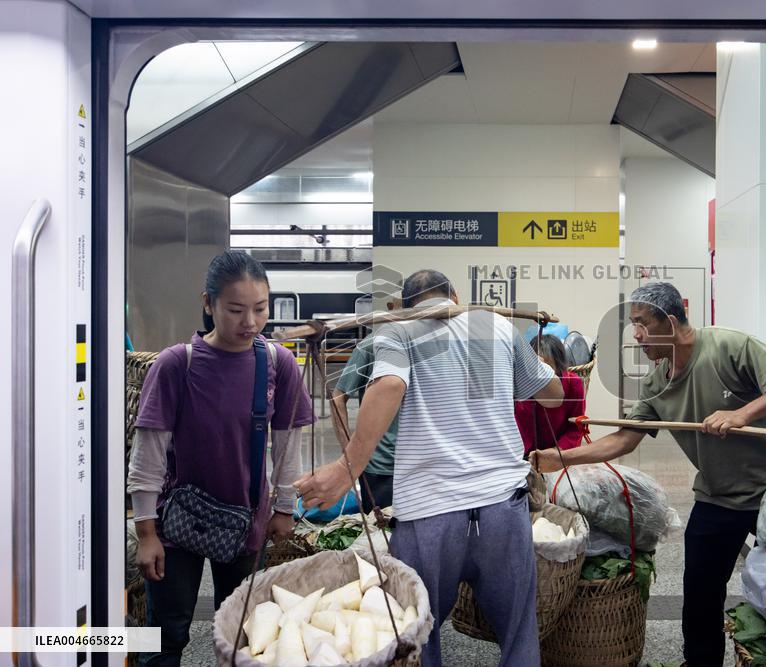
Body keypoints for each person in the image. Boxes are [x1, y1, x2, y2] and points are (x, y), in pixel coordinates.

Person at [532, 282, 766, 667]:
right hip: (719, 496)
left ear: (668, 321)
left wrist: (742, 414)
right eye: (633, 325)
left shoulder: (728, 346)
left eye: (642, 324)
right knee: (700, 589)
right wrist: (560, 458)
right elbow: (622, 440)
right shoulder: (656, 383)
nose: (636, 335)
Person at [295, 269, 564, 667]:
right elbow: (554, 396)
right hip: (502, 509)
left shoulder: (396, 330)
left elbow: (388, 385)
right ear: (453, 295)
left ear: (406, 304)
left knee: (418, 632)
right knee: (519, 634)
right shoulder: (496, 325)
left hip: (430, 513)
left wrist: (346, 468)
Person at [127, 250, 313, 666]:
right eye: (235, 310)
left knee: (243, 634)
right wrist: (146, 533)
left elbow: (287, 445)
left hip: (244, 520)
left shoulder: (279, 364)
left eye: (260, 309)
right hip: (175, 523)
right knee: (166, 635)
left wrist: (284, 507)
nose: (249, 322)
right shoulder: (178, 364)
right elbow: (149, 454)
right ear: (208, 303)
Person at [330, 298, 403, 512]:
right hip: (380, 467)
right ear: (390, 309)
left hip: (418, 464)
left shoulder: (422, 346)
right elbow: (338, 398)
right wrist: (349, 454)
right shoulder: (372, 345)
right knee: (380, 536)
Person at [515, 334, 586, 455]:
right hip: (521, 454)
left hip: (558, 455)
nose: (541, 372)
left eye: (547, 367)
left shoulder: (573, 384)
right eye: (536, 366)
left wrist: (557, 452)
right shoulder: (520, 382)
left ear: (559, 367)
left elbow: (576, 428)